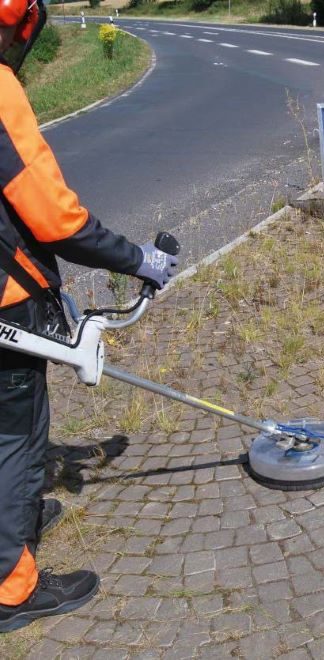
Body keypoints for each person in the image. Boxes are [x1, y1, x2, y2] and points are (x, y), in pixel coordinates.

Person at [0, 0, 178, 632]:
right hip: (5, 304)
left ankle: (13, 524)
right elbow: (54, 217)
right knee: (15, 433)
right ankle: (11, 585)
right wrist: (138, 259)